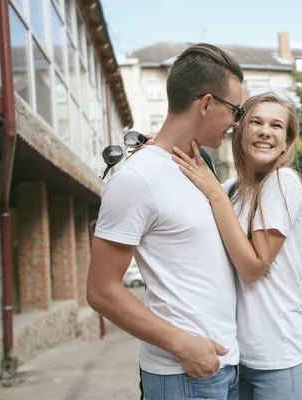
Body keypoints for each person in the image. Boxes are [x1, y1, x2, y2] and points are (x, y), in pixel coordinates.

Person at [86, 43, 246, 400]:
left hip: (224, 368)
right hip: (184, 375)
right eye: (234, 110)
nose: (237, 122)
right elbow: (101, 291)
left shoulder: (196, 168)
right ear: (206, 104)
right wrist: (184, 346)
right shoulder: (136, 178)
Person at [172, 92, 302, 399]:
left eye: (276, 126)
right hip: (243, 361)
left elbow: (253, 267)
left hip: (284, 363)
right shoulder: (232, 190)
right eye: (255, 121)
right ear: (239, 130)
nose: (265, 131)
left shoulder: (282, 182)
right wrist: (158, 147)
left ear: (286, 140)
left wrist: (214, 194)